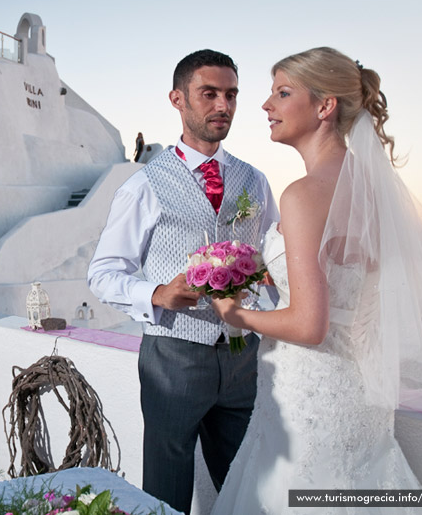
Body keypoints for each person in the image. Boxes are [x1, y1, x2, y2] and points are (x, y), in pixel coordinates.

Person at [210, 47, 422, 514]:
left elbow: (309, 325)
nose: (266, 106)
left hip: (309, 404)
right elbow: (351, 295)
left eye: (282, 92)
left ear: (325, 107)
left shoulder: (302, 195)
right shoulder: (371, 189)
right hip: (359, 401)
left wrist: (232, 310)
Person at [87, 49, 279, 514]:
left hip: (242, 356)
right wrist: (155, 294)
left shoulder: (255, 181)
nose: (223, 106)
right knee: (165, 490)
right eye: (209, 93)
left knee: (246, 484)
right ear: (177, 99)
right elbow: (103, 273)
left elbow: (274, 266)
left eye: (231, 94)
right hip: (173, 355)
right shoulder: (143, 185)